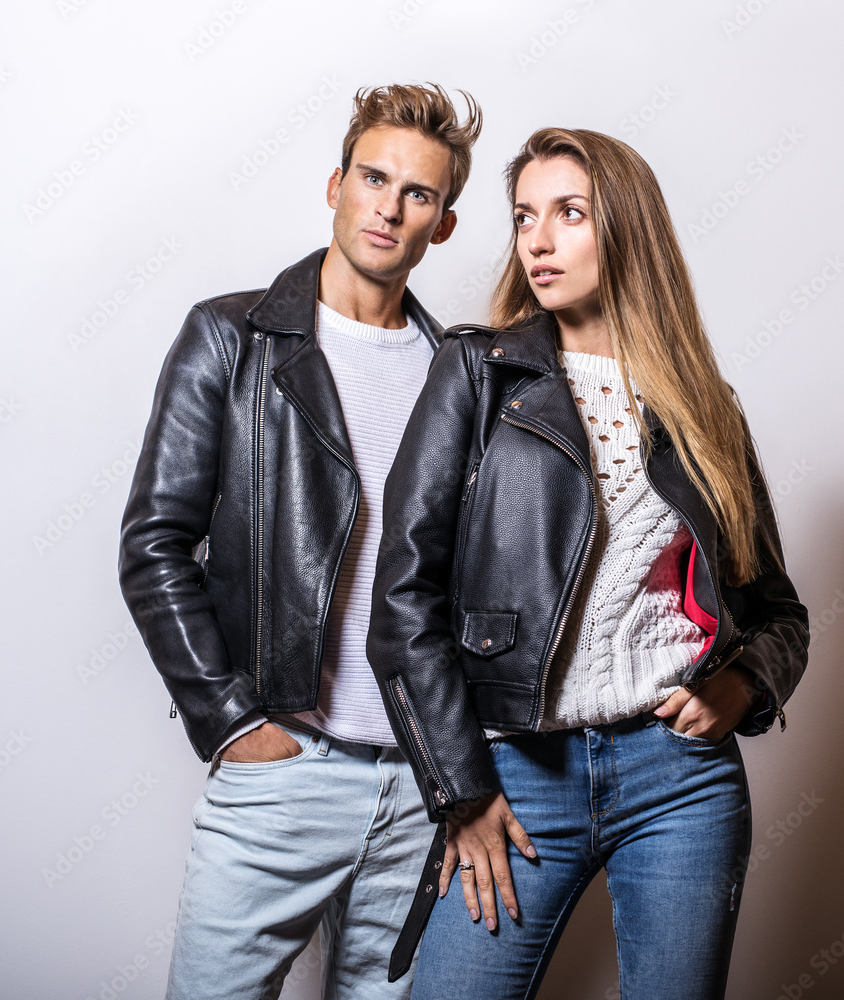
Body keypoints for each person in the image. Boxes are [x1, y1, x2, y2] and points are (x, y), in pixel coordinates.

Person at [366, 127, 809, 1000]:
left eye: (570, 213)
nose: (537, 239)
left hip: (681, 778)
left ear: (628, 230)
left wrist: (745, 684)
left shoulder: (705, 409)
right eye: (525, 216)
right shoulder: (478, 372)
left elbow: (778, 611)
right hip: (518, 773)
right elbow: (403, 597)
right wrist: (461, 789)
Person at [118, 83, 482, 999]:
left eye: (419, 194)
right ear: (335, 184)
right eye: (374, 178)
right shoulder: (231, 338)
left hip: (417, 790)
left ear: (442, 223)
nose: (389, 207)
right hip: (284, 771)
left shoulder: (462, 378)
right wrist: (232, 722)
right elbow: (155, 544)